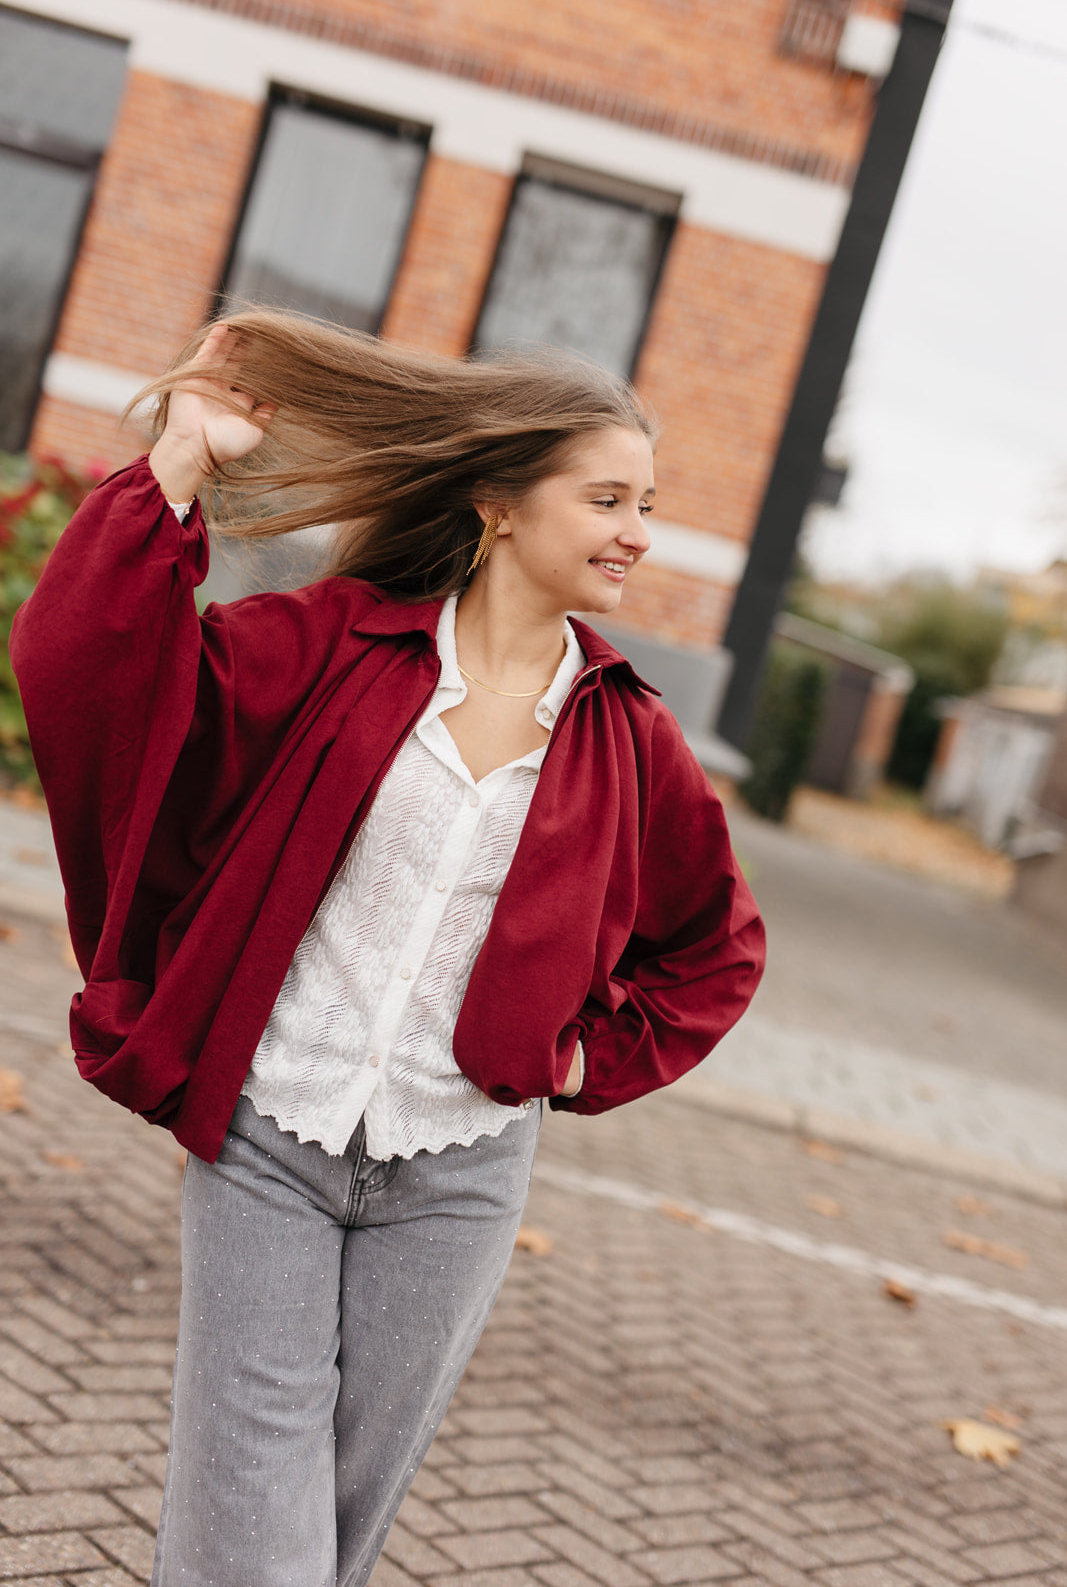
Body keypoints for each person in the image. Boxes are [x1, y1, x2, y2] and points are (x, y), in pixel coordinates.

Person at [12, 311, 765, 1587]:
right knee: (254, 1537)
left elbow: (716, 947)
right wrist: (183, 461)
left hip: (461, 1179)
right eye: (607, 496)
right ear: (500, 504)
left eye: (646, 499)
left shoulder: (628, 736)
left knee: (338, 1537)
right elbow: (88, 662)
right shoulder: (335, 646)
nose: (638, 529)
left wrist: (583, 1063)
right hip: (272, 1139)